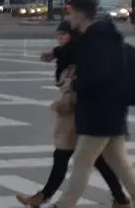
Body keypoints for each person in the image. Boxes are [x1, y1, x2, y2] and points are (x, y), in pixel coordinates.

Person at [15, 20, 130, 207]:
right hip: (77, 115)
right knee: (96, 160)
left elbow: (83, 80)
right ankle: (120, 199)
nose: (60, 38)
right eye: (58, 35)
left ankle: (46, 198)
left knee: (66, 156)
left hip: (76, 114)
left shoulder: (81, 53)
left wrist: (56, 54)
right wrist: (55, 53)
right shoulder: (70, 53)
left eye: (64, 35)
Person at [51, 0, 135, 208]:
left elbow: (100, 76)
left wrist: (76, 83)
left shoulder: (98, 40)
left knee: (82, 161)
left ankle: (63, 205)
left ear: (80, 15)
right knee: (120, 163)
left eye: (70, 13)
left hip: (100, 112)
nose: (68, 18)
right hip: (110, 111)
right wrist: (54, 54)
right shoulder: (99, 37)